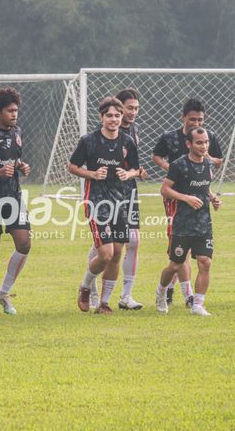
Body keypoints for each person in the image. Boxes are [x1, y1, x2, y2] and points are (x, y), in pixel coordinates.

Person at [69, 96, 140, 314]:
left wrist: (127, 173)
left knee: (118, 252)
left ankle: (105, 303)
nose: (114, 119)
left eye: (117, 115)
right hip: (96, 199)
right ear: (101, 117)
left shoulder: (127, 142)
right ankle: (85, 286)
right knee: (106, 253)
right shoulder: (89, 140)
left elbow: (137, 169)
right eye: (109, 115)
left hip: (120, 200)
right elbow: (72, 166)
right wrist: (91, 173)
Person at [151, 98, 223, 305]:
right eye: (193, 120)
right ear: (183, 118)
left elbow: (218, 160)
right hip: (176, 199)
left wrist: (208, 158)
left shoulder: (208, 138)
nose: (197, 124)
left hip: (200, 195)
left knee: (200, 257)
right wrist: (172, 171)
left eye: (200, 120)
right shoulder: (171, 137)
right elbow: (156, 156)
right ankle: (175, 289)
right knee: (178, 255)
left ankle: (189, 295)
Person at [86, 87, 146, 310]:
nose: (132, 113)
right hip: (105, 194)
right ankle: (90, 285)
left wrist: (136, 172)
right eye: (129, 108)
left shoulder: (134, 130)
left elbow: (134, 166)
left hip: (128, 190)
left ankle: (125, 296)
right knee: (104, 247)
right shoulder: (100, 134)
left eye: (136, 109)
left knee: (132, 241)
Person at [0, 87, 31, 315]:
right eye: (10, 111)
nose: (14, 114)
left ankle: (3, 293)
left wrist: (22, 166)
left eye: (16, 110)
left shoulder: (16, 132)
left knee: (24, 243)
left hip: (13, 196)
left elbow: (14, 159)